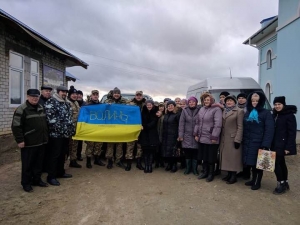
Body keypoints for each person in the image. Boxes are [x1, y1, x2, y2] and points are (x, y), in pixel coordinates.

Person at [11, 89, 49, 192]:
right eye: (32, 96)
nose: (35, 98)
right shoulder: (21, 109)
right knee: (27, 164)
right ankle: (26, 183)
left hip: (41, 141)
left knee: (38, 163)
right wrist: (20, 140)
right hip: (29, 142)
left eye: (36, 96)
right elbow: (16, 126)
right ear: (27, 96)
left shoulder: (41, 107)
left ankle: (36, 180)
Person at [243, 92, 274, 190]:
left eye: (257, 101)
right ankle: (253, 179)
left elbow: (269, 130)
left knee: (259, 164)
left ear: (260, 101)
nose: (254, 102)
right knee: (251, 163)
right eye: (253, 101)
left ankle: (258, 182)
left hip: (259, 142)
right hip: (248, 141)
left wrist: (265, 144)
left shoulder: (265, 113)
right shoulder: (248, 112)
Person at [44, 85, 74, 186]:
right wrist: (62, 128)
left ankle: (60, 172)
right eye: (62, 92)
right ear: (58, 92)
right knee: (54, 155)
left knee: (62, 154)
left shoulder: (66, 103)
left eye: (66, 92)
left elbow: (69, 118)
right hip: (56, 135)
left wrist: (70, 129)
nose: (64, 93)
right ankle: (51, 176)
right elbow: (50, 119)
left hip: (65, 135)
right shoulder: (51, 101)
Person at [194, 93, 222, 182]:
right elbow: (198, 123)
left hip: (211, 138)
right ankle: (205, 172)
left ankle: (211, 174)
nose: (206, 101)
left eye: (208, 100)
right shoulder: (201, 109)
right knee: (204, 157)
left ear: (212, 100)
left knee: (211, 157)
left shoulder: (216, 109)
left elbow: (218, 124)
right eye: (205, 100)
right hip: (202, 137)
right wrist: (196, 134)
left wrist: (214, 136)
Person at [272, 96, 297, 194]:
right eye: (275, 104)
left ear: (283, 105)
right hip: (275, 143)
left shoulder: (289, 116)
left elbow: (292, 133)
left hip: (282, 144)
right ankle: (285, 182)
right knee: (281, 163)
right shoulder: (275, 114)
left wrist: (288, 147)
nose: (277, 106)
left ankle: (281, 183)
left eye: (279, 104)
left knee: (275, 163)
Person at [219, 95, 244, 184]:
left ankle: (234, 175)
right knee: (227, 157)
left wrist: (238, 139)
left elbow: (240, 126)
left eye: (231, 101)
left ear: (234, 102)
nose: (229, 102)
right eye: (227, 101)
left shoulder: (239, 111)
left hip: (233, 138)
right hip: (224, 138)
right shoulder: (224, 111)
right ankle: (229, 174)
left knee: (233, 158)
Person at [104, 87, 128, 169]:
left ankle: (118, 160)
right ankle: (109, 161)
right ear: (112, 94)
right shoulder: (108, 101)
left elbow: (132, 106)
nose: (116, 94)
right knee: (110, 144)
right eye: (115, 93)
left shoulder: (124, 101)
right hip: (110, 126)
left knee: (119, 144)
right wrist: (107, 106)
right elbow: (102, 109)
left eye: (118, 93)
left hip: (120, 126)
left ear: (120, 94)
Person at [178, 96, 200, 176]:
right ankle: (188, 168)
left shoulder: (200, 110)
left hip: (196, 135)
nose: (191, 103)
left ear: (196, 103)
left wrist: (198, 134)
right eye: (190, 102)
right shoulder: (184, 111)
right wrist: (181, 135)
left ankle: (194, 169)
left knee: (195, 152)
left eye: (193, 102)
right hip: (186, 135)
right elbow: (181, 124)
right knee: (187, 152)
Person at [125, 91, 146, 171]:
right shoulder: (129, 103)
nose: (138, 97)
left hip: (141, 128)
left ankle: (138, 163)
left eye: (140, 95)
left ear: (142, 96)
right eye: (137, 95)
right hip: (131, 127)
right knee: (130, 145)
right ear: (135, 96)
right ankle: (128, 163)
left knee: (139, 146)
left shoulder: (145, 104)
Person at [85, 90, 106, 168]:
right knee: (90, 145)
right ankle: (88, 161)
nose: (95, 96)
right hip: (91, 128)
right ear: (91, 96)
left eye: (97, 95)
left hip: (99, 128)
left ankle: (97, 160)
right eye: (94, 94)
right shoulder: (87, 105)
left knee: (98, 145)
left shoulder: (101, 105)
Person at [139, 100, 160, 173]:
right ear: (145, 105)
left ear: (153, 105)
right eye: (148, 105)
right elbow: (140, 121)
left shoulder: (156, 112)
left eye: (150, 105)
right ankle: (146, 165)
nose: (149, 106)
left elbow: (154, 122)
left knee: (151, 151)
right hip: (144, 134)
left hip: (152, 134)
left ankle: (150, 166)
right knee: (145, 151)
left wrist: (144, 127)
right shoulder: (142, 112)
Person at [161, 100, 181, 173]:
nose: (170, 107)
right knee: (167, 151)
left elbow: (180, 126)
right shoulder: (166, 115)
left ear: (174, 107)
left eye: (171, 106)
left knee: (173, 151)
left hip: (174, 135)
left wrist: (179, 135)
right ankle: (169, 164)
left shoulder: (177, 115)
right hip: (166, 135)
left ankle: (174, 165)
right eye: (169, 106)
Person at [67, 86, 82, 168]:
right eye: (73, 94)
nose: (75, 95)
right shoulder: (67, 102)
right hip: (70, 128)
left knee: (74, 145)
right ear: (69, 95)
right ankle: (68, 160)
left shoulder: (76, 102)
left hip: (76, 127)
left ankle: (73, 160)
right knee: (69, 146)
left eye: (76, 94)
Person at [75, 90, 86, 161]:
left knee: (80, 142)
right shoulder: (72, 102)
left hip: (82, 125)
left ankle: (78, 155)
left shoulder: (85, 104)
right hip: (74, 125)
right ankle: (73, 157)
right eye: (78, 94)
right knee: (73, 143)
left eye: (80, 95)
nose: (79, 96)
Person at [156, 102, 165, 168]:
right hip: (156, 134)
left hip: (163, 134)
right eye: (160, 106)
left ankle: (162, 162)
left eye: (162, 106)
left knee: (162, 149)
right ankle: (157, 162)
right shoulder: (156, 114)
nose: (161, 108)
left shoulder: (166, 115)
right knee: (157, 149)